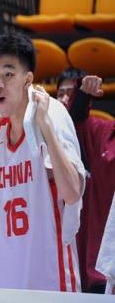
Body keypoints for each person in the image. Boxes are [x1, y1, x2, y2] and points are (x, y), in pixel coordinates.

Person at [0, 33, 85, 291]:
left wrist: (46, 126)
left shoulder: (50, 114)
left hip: (51, 275)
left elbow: (72, 193)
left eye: (8, 74)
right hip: (9, 278)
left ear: (28, 80)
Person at [57, 68, 115, 293]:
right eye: (61, 93)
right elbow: (74, 122)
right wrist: (81, 94)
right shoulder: (103, 133)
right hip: (94, 270)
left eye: (69, 93)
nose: (64, 98)